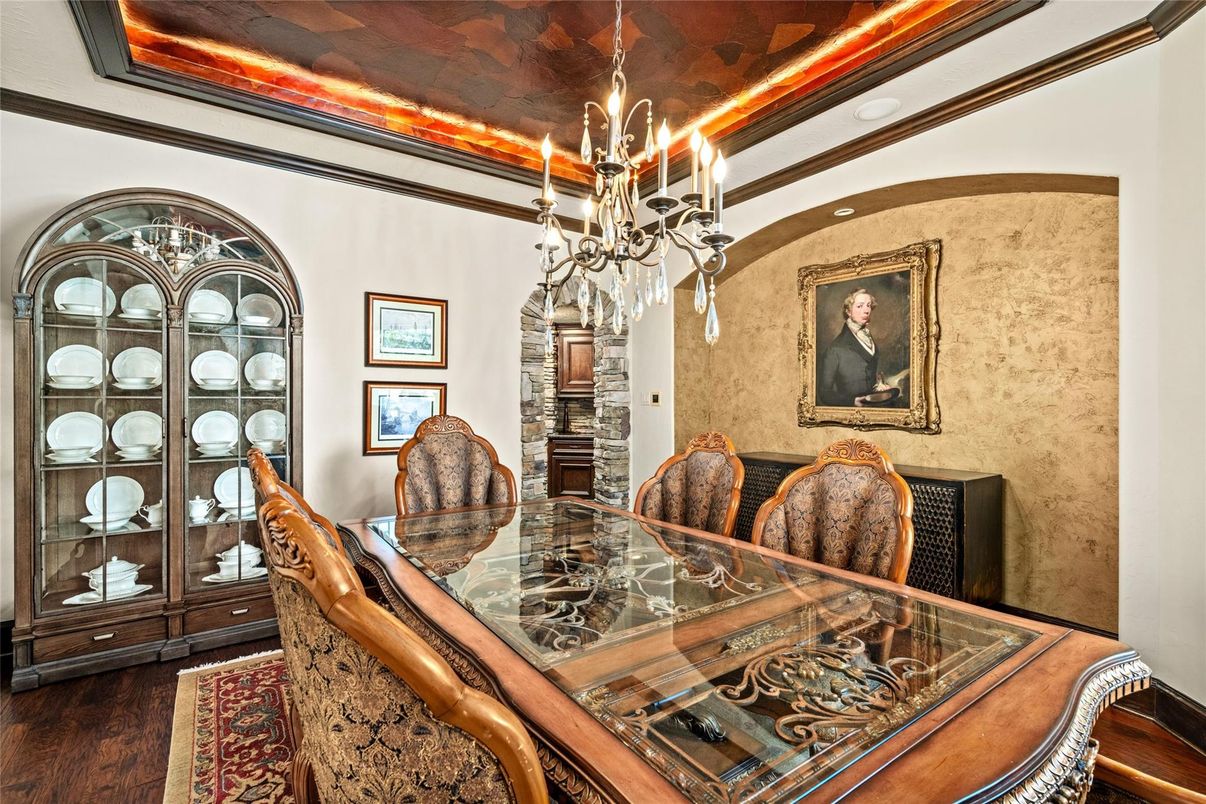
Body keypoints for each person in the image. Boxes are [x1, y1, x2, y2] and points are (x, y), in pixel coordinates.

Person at [817, 288, 897, 407]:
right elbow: (824, 393)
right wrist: (851, 402)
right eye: (860, 306)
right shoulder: (835, 349)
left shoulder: (868, 337)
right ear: (849, 311)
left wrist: (879, 386)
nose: (866, 311)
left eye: (868, 305)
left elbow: (870, 374)